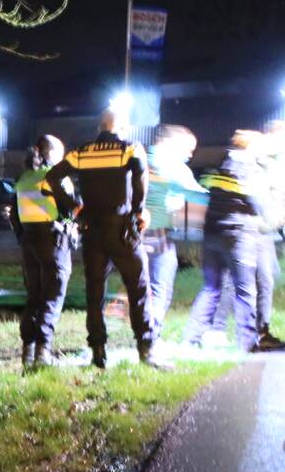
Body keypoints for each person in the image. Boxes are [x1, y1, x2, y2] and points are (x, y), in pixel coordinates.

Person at [46, 109, 160, 369]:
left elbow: (52, 177)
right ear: (120, 126)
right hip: (122, 230)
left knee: (95, 292)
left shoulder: (81, 152)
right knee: (138, 288)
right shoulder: (130, 149)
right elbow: (142, 177)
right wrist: (138, 211)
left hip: (92, 230)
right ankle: (146, 348)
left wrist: (75, 207)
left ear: (100, 126)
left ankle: (98, 351)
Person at [183, 130, 271, 352]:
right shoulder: (251, 169)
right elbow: (259, 204)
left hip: (211, 234)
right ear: (251, 147)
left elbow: (207, 192)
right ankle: (248, 342)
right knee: (245, 289)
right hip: (238, 237)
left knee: (211, 288)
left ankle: (191, 337)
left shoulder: (221, 164)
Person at [11, 135, 76, 369]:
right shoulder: (55, 177)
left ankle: (28, 351)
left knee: (34, 297)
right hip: (54, 242)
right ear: (53, 154)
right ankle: (43, 352)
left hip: (28, 242)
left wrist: (22, 237)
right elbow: (72, 207)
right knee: (52, 296)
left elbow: (13, 215)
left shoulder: (24, 178)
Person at [142, 125, 208, 340]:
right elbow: (195, 194)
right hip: (158, 233)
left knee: (140, 285)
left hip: (133, 233)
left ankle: (141, 331)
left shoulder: (142, 157)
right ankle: (151, 337)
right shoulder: (171, 165)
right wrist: (225, 196)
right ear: (173, 143)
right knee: (160, 286)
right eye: (188, 149)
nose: (190, 155)